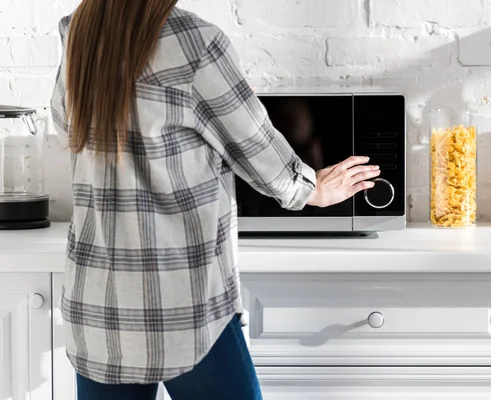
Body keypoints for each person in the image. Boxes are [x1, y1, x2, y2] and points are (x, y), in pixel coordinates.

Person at [50, 1, 380, 399]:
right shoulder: (195, 42)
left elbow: (66, 121)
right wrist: (313, 188)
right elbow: (257, 148)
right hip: (184, 304)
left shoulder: (80, 33)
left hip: (99, 308)